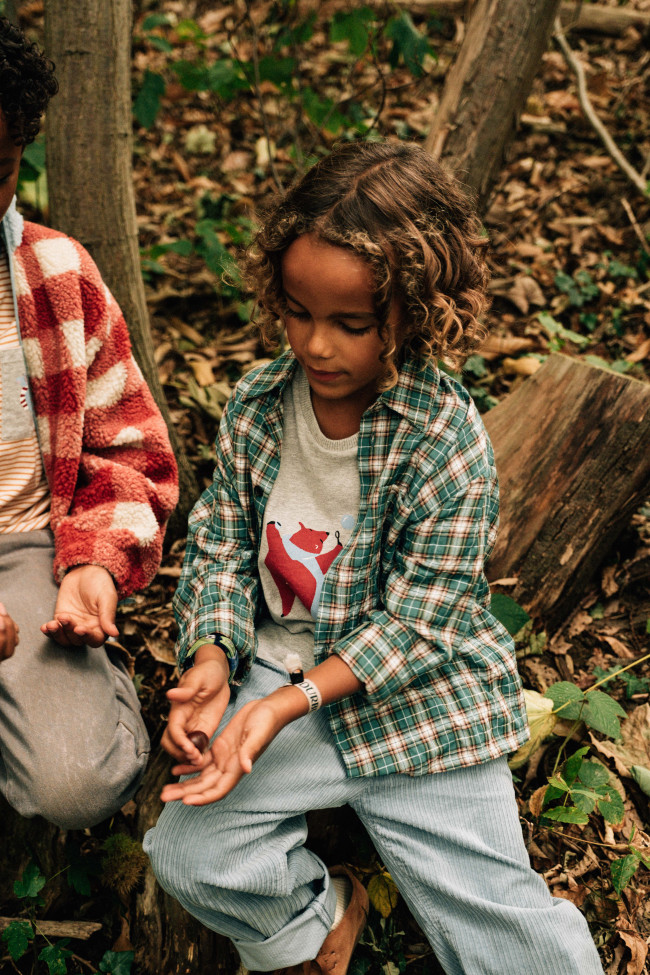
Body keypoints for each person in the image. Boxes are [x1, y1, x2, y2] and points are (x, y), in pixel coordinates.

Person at [143, 141, 604, 975]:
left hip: (418, 706)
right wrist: (213, 658)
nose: (317, 346)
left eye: (351, 324)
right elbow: (220, 540)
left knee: (510, 931)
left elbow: (425, 616)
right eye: (296, 312)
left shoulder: (443, 437)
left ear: (416, 313)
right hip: (275, 681)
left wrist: (288, 708)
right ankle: (320, 921)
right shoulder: (258, 406)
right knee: (190, 852)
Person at [0, 18, 178, 829]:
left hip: (27, 551)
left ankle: (63, 706)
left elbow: (130, 451)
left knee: (76, 784)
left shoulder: (58, 276)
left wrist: (95, 564)